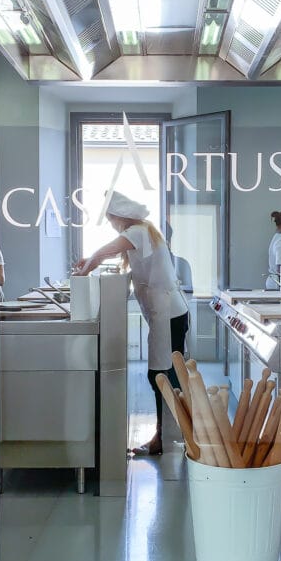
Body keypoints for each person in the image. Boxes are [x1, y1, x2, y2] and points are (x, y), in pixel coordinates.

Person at [73, 191, 189, 456]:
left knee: (163, 375)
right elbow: (111, 254)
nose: (112, 225)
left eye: (112, 219)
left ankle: (173, 435)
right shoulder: (145, 232)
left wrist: (87, 267)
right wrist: (89, 262)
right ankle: (172, 434)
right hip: (168, 314)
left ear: (121, 218)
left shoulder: (138, 231)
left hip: (168, 315)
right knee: (163, 375)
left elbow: (107, 250)